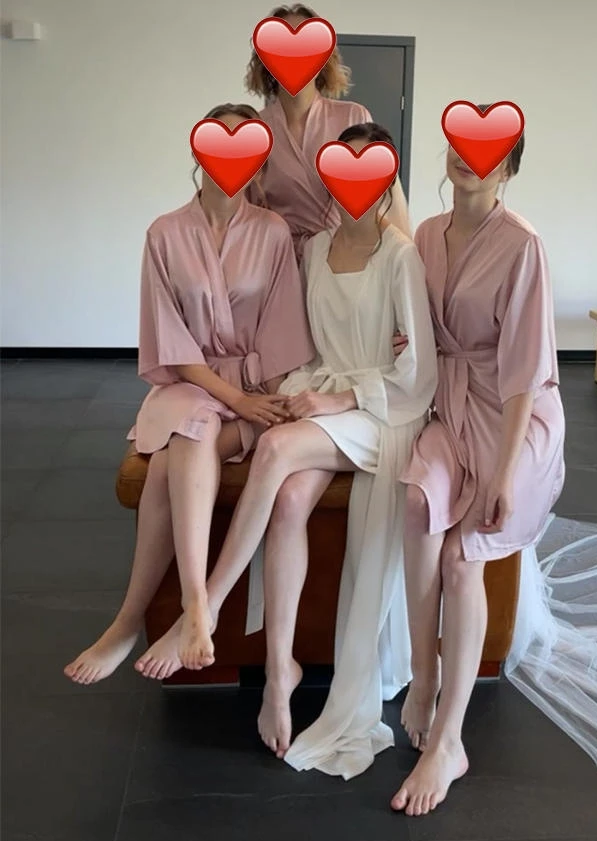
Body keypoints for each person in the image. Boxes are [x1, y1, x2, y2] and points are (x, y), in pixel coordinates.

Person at [141, 123, 438, 770]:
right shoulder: (315, 248)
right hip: (324, 394)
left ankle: (204, 609)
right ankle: (281, 673)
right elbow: (303, 345)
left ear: (387, 180)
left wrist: (339, 399)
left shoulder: (401, 257)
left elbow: (418, 374)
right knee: (288, 500)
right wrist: (298, 392)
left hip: (381, 411)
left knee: (275, 450)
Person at [63, 103, 315, 684]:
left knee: (168, 462)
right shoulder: (165, 232)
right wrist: (236, 401)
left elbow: (281, 330)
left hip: (255, 381)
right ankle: (195, 604)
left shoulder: (273, 231)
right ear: (198, 153)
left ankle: (131, 621)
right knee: (192, 423)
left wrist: (263, 404)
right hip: (192, 382)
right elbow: (172, 344)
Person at [390, 114, 566, 816]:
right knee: (416, 503)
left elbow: (527, 370)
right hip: (451, 406)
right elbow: (416, 327)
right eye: (461, 147)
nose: (469, 160)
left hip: (514, 416)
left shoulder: (523, 244)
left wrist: (501, 473)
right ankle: (423, 673)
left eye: (487, 153)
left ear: (508, 169)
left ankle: (450, 740)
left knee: (463, 557)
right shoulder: (426, 234)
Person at [246, 3, 412, 262]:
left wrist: (402, 258)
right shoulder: (255, 129)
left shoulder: (353, 117)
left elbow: (385, 198)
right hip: (279, 260)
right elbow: (245, 212)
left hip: (342, 257)